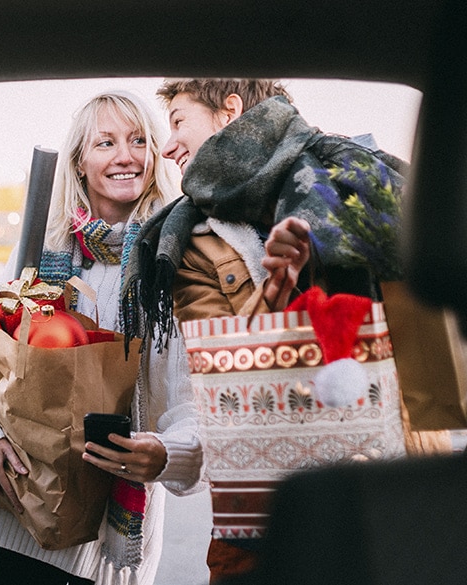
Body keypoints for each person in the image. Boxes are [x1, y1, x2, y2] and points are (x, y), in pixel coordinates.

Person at [119, 78, 408, 582]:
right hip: (263, 510)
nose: (167, 148)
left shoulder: (354, 180)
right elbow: (220, 377)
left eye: (179, 121)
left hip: (387, 488)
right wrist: (275, 286)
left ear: (228, 111)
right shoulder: (191, 241)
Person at [0, 90, 204, 585]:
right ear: (80, 162)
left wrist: (168, 455)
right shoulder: (40, 246)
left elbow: (193, 400)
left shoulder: (176, 263)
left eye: (139, 140)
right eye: (106, 143)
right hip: (17, 514)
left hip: (109, 541)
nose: (126, 155)